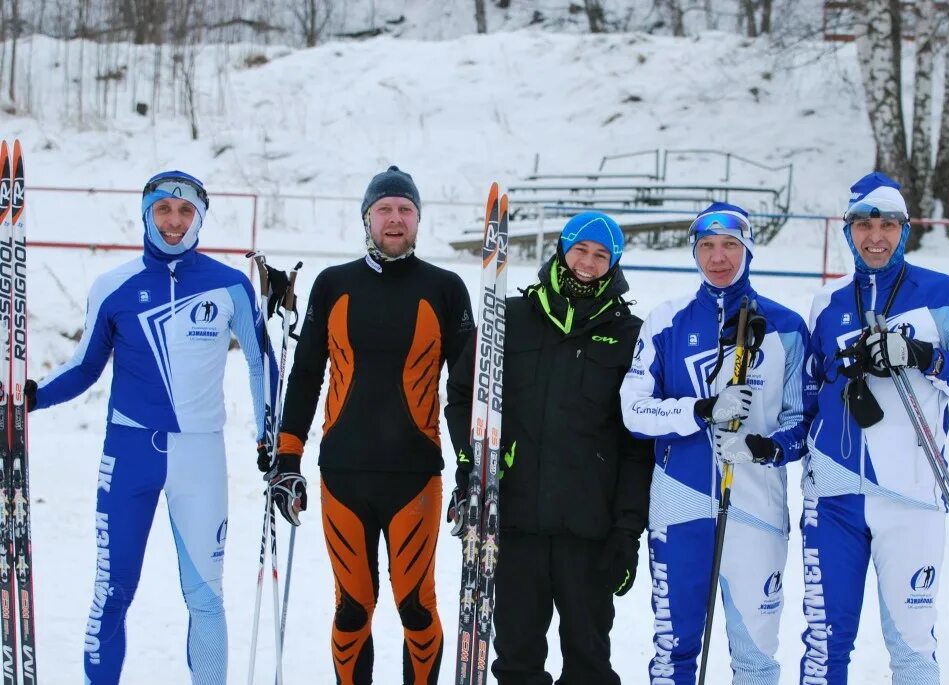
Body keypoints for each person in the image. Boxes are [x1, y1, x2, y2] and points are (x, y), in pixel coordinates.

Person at [26, 171, 274, 684]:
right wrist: (30, 398)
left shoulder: (230, 285)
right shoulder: (112, 286)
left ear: (200, 218)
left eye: (185, 212)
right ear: (147, 214)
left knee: (207, 598)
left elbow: (259, 362)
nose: (174, 221)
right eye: (164, 210)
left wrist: (270, 436)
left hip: (200, 458)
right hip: (129, 453)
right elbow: (84, 367)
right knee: (112, 590)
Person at [798, 172, 949, 684]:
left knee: (912, 650)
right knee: (824, 648)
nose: (875, 236)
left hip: (912, 497)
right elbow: (805, 396)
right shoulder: (827, 304)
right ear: (849, 232)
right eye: (863, 224)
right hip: (834, 499)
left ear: (903, 230)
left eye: (887, 224)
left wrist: (925, 356)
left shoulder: (942, 295)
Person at [275, 165, 474, 684]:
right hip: (343, 474)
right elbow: (306, 376)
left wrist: (470, 467)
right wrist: (287, 455)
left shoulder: (446, 288)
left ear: (418, 220)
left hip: (416, 478)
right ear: (367, 218)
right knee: (352, 610)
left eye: (405, 209)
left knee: (416, 607)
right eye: (384, 208)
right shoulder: (334, 284)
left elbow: (465, 391)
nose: (395, 218)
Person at [445, 211, 652, 685]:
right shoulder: (509, 319)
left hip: (589, 531)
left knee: (589, 663)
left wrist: (626, 533)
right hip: (513, 524)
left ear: (614, 263)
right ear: (562, 249)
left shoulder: (630, 335)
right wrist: (469, 462)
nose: (588, 262)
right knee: (517, 662)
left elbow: (637, 447)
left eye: (602, 255)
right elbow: (463, 393)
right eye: (580, 249)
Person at [619, 202, 816, 685]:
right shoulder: (667, 321)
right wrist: (700, 410)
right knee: (674, 651)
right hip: (680, 501)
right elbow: (633, 410)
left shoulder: (788, 328)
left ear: (748, 250)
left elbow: (805, 422)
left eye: (730, 245)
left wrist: (765, 448)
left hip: (758, 506)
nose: (718, 257)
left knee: (756, 657)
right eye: (706, 246)